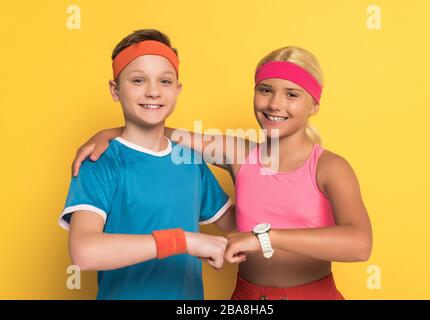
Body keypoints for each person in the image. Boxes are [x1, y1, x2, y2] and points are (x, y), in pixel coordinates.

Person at [72, 46, 372, 300]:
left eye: (292, 94)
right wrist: (111, 133)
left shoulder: (330, 167)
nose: (275, 104)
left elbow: (360, 243)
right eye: (265, 90)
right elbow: (157, 128)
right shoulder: (240, 155)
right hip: (246, 296)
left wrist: (266, 238)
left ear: (314, 104)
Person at [58, 29, 234, 300]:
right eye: (138, 80)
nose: (153, 92)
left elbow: (234, 222)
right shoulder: (101, 162)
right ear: (115, 90)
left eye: (165, 81)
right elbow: (85, 252)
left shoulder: (189, 160)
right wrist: (183, 241)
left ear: (178, 90)